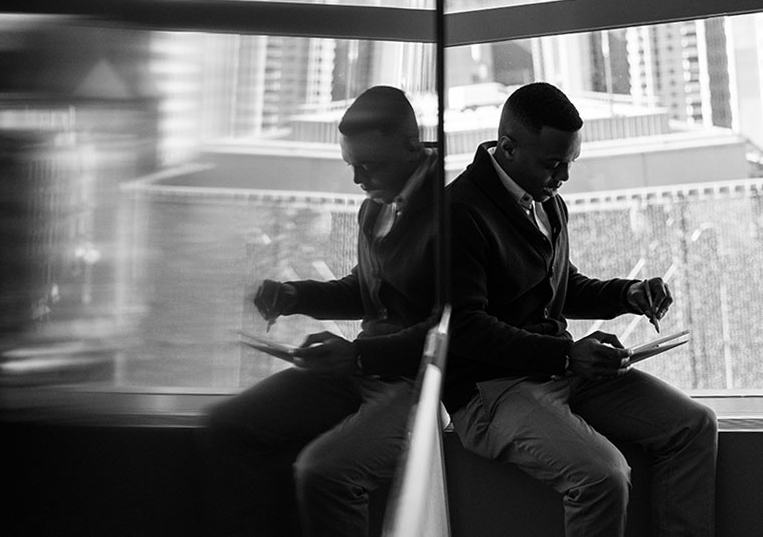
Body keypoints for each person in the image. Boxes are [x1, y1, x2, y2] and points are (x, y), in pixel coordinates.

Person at [443, 82, 718, 537]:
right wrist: (567, 356)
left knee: (694, 425)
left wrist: (626, 294)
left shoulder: (546, 200)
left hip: (558, 371)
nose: (564, 177)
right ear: (507, 148)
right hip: (490, 392)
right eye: (554, 164)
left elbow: (560, 286)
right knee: (603, 476)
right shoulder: (457, 213)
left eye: (569, 162)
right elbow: (467, 329)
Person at [204, 85, 440, 537]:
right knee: (228, 425)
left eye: (369, 165)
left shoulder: (452, 213)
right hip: (364, 368)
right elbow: (367, 291)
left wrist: (356, 357)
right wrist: (295, 296)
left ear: (413, 144)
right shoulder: (376, 207)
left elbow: (448, 330)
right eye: (352, 166)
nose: (358, 181)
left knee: (321, 469)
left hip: (415, 383)